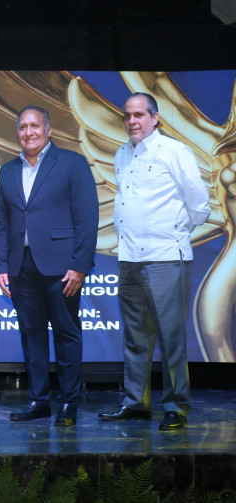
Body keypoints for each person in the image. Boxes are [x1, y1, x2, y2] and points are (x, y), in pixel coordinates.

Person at [98, 92, 210, 430]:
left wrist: (173, 232)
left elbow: (199, 204)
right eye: (128, 115)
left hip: (165, 257)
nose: (132, 121)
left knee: (170, 336)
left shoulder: (174, 151)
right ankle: (136, 402)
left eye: (139, 115)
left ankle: (176, 406)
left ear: (155, 118)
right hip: (129, 257)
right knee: (135, 335)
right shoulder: (122, 154)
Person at [0, 105, 98, 427]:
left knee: (66, 334)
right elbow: (1, 223)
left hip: (62, 268)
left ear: (48, 130)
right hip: (20, 267)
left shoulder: (72, 163)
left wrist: (80, 265)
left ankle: (68, 402)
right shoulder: (8, 171)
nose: (29, 132)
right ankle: (38, 401)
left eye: (35, 125)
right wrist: (1, 266)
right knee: (31, 335)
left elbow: (87, 217)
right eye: (23, 127)